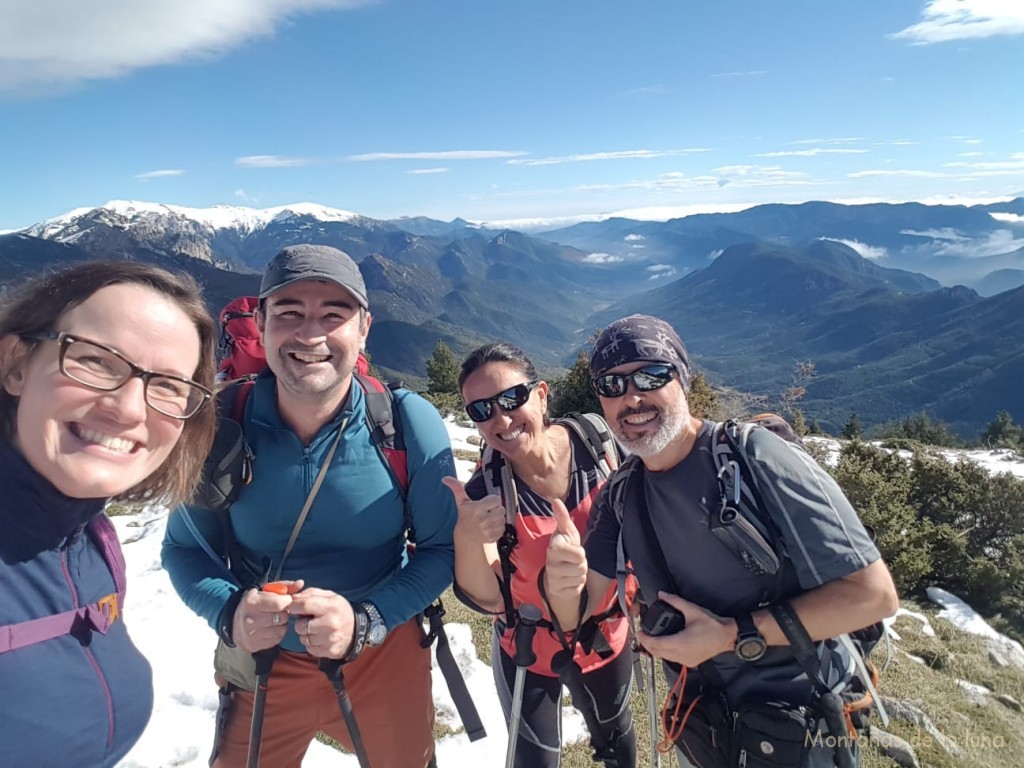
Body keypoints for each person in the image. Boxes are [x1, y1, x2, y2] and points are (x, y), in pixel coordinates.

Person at [544, 314, 900, 768]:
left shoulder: (755, 456)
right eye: (612, 384)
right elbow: (582, 609)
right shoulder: (621, 493)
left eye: (651, 375)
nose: (631, 398)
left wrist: (733, 636)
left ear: (683, 379)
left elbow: (873, 596)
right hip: (704, 729)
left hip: (799, 729)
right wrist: (560, 582)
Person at [162, 244, 457, 768]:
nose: (310, 334)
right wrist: (230, 611)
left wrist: (367, 620)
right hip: (263, 662)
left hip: (382, 652)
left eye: (333, 315)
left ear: (364, 328)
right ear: (261, 321)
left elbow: (440, 549)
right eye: (290, 313)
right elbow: (184, 549)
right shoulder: (219, 425)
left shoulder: (406, 423)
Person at [0, 261, 217, 768]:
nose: (129, 409)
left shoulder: (90, 541)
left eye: (167, 384)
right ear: (16, 363)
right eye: (96, 361)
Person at [444, 342, 636, 768]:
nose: (501, 418)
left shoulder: (600, 447)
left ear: (542, 393)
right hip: (528, 648)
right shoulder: (487, 491)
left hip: (605, 637)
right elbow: (488, 598)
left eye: (512, 398)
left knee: (618, 747)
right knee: (536, 760)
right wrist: (466, 534)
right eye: (481, 410)